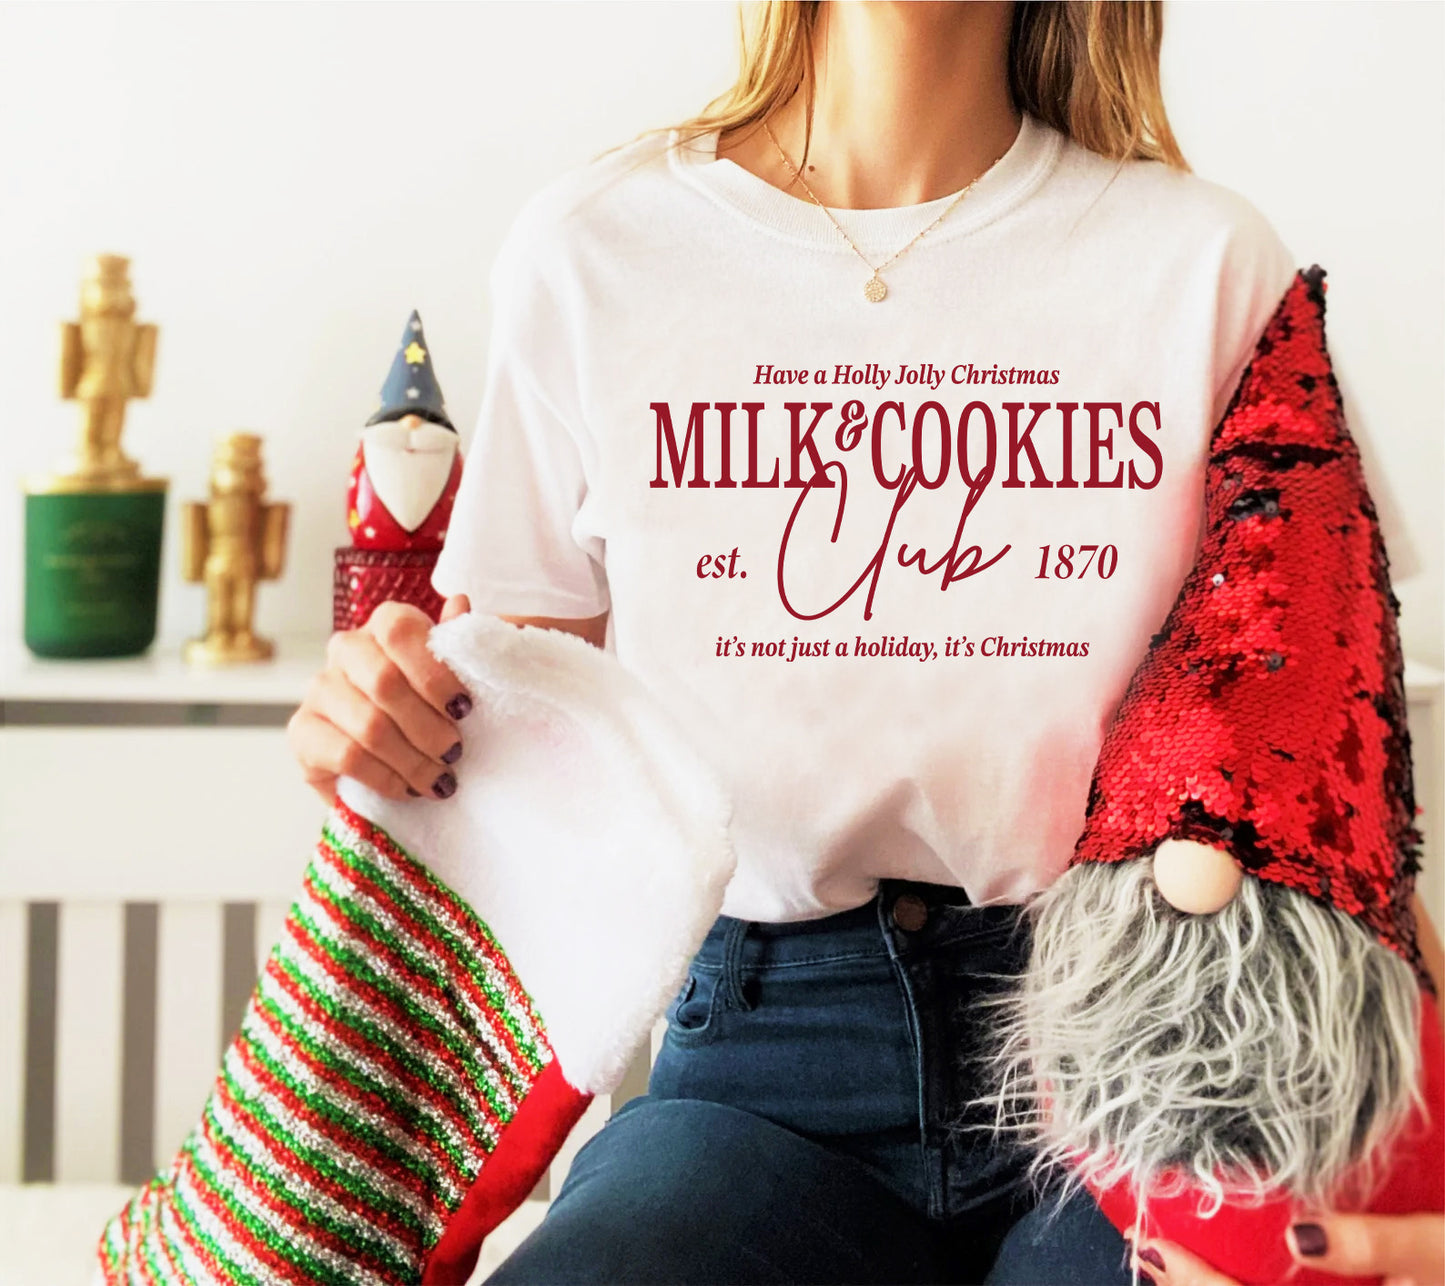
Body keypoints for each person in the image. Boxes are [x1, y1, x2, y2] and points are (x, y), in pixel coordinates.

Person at [287, 3, 1445, 1282]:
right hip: (750, 1065)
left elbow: (1326, 773)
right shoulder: (594, 248)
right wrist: (380, 716)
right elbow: (509, 743)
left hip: (1137, 1055)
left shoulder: (1204, 261)